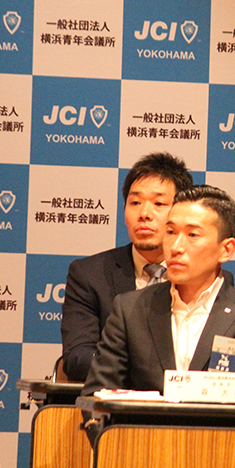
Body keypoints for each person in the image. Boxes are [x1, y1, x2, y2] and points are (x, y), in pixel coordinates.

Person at [82, 185, 235, 401]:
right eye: (170, 232)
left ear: (226, 250)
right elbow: (96, 397)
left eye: (192, 235)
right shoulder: (129, 309)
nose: (175, 247)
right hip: (139, 424)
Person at [61, 152, 194, 381]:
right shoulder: (89, 274)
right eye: (135, 203)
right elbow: (77, 358)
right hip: (115, 400)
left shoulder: (204, 276)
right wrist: (148, 377)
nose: (144, 214)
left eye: (159, 203)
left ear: (182, 211)